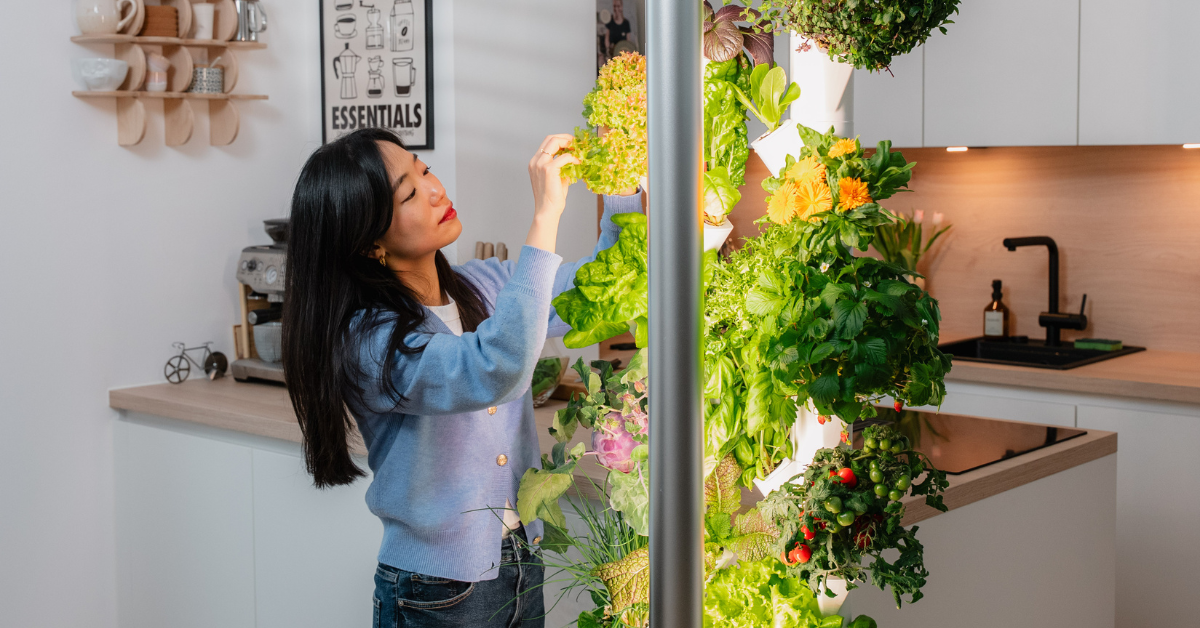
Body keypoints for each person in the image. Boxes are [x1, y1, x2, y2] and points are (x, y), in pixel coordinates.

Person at [281, 127, 642, 627]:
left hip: (520, 563)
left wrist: (623, 176)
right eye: (409, 192)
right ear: (369, 245)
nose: (435, 190)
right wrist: (545, 217)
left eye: (423, 169)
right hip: (437, 593)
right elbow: (498, 369)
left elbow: (607, 288)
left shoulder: (482, 284)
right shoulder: (370, 340)